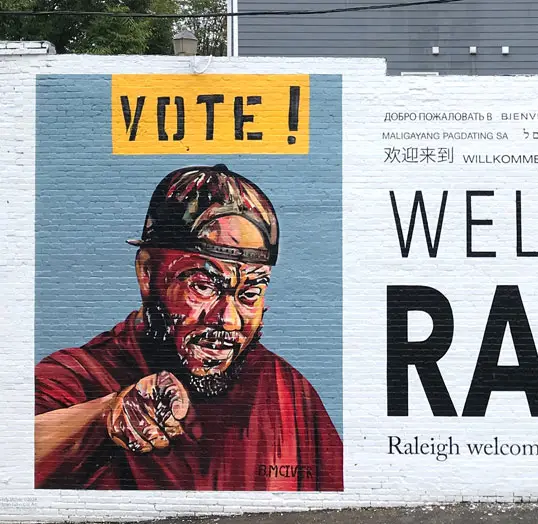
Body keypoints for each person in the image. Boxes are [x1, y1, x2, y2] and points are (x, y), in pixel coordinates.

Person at [34, 164, 343, 491]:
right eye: (204, 286)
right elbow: (14, 453)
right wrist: (104, 418)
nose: (229, 319)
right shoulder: (78, 376)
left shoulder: (289, 393)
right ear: (147, 274)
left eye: (249, 294)